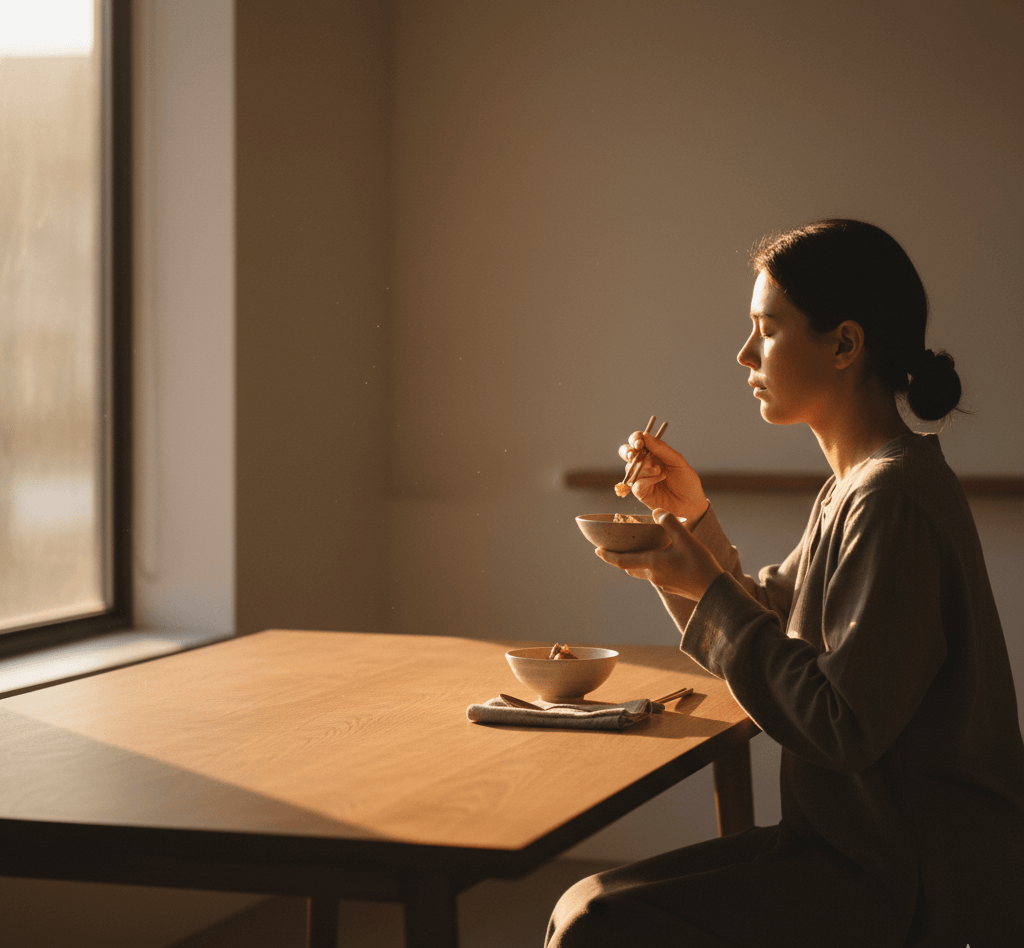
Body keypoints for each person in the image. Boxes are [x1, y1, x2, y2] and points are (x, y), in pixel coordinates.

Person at [545, 219, 1024, 947]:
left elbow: (843, 723)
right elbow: (778, 609)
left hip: (908, 886)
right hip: (856, 852)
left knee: (596, 922)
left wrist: (702, 584)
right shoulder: (860, 486)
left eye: (766, 330)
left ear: (844, 344)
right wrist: (690, 518)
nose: (744, 355)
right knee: (587, 902)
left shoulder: (892, 496)